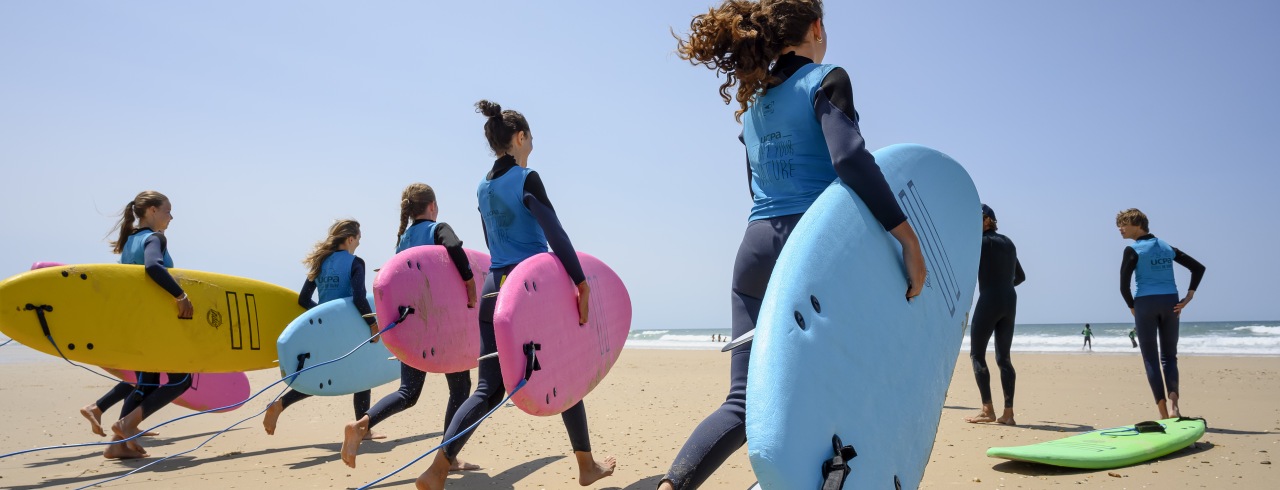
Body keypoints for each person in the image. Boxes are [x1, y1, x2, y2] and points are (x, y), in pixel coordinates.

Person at [658, 2, 927, 487]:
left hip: (755, 251)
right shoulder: (826, 79)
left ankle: (671, 485)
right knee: (841, 391)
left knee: (742, 403)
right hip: (813, 249)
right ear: (816, 27)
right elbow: (849, 158)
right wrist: (906, 235)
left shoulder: (753, 104)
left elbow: (756, 186)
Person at [414, 101, 616, 489]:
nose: (534, 144)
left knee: (487, 390)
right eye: (532, 137)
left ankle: (437, 470)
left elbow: (492, 243)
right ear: (520, 137)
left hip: (494, 290)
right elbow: (555, 232)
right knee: (565, 370)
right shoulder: (527, 178)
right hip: (530, 291)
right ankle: (586, 465)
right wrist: (581, 281)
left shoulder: (482, 187)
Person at [339, 184, 480, 471]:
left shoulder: (402, 242)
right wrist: (469, 282)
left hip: (413, 327)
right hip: (443, 326)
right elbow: (454, 248)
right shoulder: (438, 229)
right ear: (432, 206)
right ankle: (448, 457)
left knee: (408, 393)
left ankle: (362, 423)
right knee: (461, 388)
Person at [262, 220, 380, 438]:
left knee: (324, 375)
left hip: (325, 329)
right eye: (358, 239)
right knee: (361, 374)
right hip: (350, 327)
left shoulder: (320, 262)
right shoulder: (356, 263)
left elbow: (303, 298)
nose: (359, 244)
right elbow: (359, 298)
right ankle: (362, 429)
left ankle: (281, 405)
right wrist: (372, 324)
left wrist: (322, 315)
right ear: (350, 239)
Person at [104, 191, 194, 459]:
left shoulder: (130, 242)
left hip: (136, 322)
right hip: (156, 323)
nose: (171, 217)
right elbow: (153, 267)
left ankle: (116, 445)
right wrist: (180, 296)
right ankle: (127, 425)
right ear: (152, 210)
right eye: (167, 211)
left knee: (148, 382)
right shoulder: (155, 238)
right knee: (181, 379)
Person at [1117, 208, 1205, 419]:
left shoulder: (1132, 249)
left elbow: (1123, 286)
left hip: (1145, 304)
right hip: (1171, 303)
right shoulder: (1167, 247)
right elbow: (1198, 268)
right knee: (1169, 356)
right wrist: (1189, 296)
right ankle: (1175, 406)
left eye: (1124, 224)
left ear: (1137, 225)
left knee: (1150, 359)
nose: (1120, 229)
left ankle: (1164, 413)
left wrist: (1132, 307)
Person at [964, 204, 1025, 426]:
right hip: (1009, 301)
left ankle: (987, 410)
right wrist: (1003, 286)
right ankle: (1008, 414)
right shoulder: (1009, 243)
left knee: (977, 355)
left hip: (989, 300)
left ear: (988, 220)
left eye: (977, 218)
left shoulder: (979, 243)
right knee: (1004, 358)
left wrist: (992, 289)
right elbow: (1021, 277)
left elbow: (963, 270)